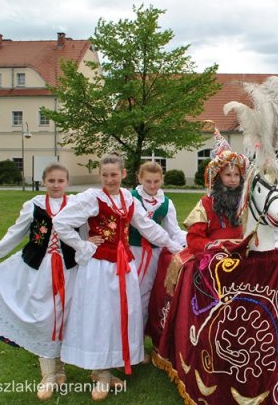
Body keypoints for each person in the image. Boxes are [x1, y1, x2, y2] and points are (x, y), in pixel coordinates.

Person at [52, 153, 183, 401]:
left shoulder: (127, 198)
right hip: (100, 268)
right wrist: (83, 245)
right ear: (100, 176)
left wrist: (174, 246)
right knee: (101, 315)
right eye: (105, 175)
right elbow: (61, 222)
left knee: (120, 315)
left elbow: (148, 227)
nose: (109, 179)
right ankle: (100, 372)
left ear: (123, 174)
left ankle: (108, 365)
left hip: (124, 267)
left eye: (114, 174)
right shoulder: (93, 198)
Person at [0, 163, 79, 401]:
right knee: (43, 317)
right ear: (44, 182)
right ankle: (48, 374)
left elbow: (84, 235)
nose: (56, 185)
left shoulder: (76, 205)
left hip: (69, 270)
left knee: (64, 317)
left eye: (61, 181)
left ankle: (60, 367)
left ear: (67, 183)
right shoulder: (34, 206)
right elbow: (15, 233)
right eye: (51, 181)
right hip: (38, 270)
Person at [146, 128, 248, 351]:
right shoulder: (206, 204)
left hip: (242, 257)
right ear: (218, 178)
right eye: (227, 175)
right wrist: (215, 248)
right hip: (210, 257)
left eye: (236, 175)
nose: (232, 180)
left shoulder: (246, 206)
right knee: (187, 272)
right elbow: (194, 239)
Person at [128, 161, 186, 361]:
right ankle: (123, 345)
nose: (152, 186)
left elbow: (174, 231)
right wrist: (172, 245)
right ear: (139, 179)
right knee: (128, 296)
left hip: (153, 256)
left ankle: (139, 346)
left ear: (162, 180)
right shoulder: (131, 198)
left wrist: (192, 241)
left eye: (156, 181)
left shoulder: (166, 203)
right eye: (148, 181)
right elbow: (146, 227)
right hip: (131, 252)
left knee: (145, 299)